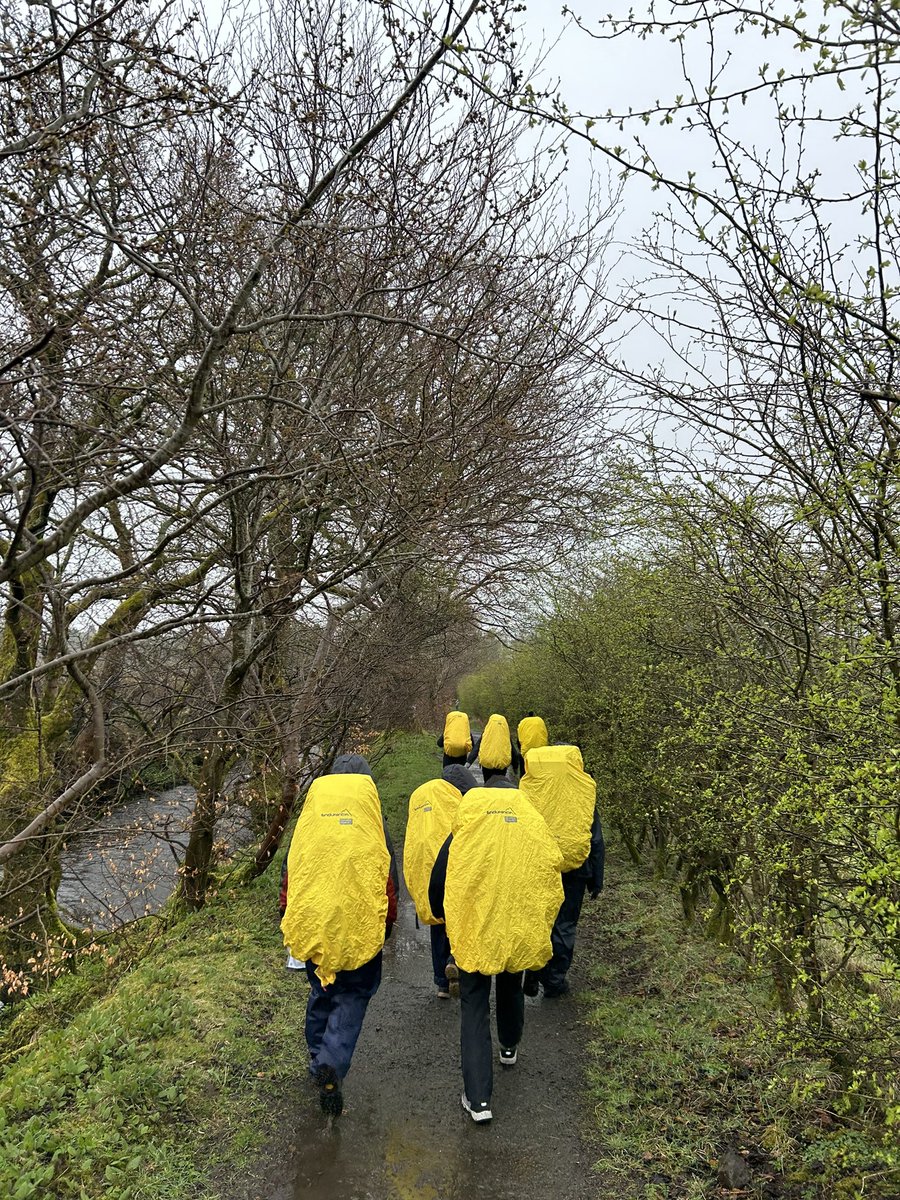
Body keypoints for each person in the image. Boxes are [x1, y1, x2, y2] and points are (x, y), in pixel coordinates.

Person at [428, 775, 563, 1123]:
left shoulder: (468, 824)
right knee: (509, 983)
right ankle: (508, 1047)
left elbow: (440, 877)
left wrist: (443, 914)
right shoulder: (532, 822)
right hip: (515, 925)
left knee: (474, 1004)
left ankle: (478, 1100)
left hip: (475, 928)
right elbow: (550, 873)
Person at [279, 754, 398, 1118]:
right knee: (353, 994)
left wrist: (290, 918)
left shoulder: (311, 818)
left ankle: (317, 1056)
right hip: (360, 930)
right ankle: (330, 1063)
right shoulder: (372, 821)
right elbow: (389, 881)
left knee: (321, 990)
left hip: (314, 926)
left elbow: (290, 872)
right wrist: (386, 926)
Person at [518, 744, 604, 998]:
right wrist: (596, 879)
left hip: (539, 866)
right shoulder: (583, 794)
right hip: (575, 868)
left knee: (538, 919)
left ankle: (533, 971)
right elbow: (595, 838)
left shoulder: (529, 791)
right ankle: (554, 981)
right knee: (564, 923)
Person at [403, 764, 477, 997]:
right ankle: (454, 959)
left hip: (425, 868)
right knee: (459, 918)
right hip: (449, 867)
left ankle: (441, 983)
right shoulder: (459, 802)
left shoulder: (421, 795)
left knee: (437, 922)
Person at [466, 712, 524, 783]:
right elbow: (513, 751)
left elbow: (477, 747)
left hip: (487, 764)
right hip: (501, 764)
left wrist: (468, 763)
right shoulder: (505, 736)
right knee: (499, 783)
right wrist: (515, 767)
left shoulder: (486, 734)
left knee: (487, 782)